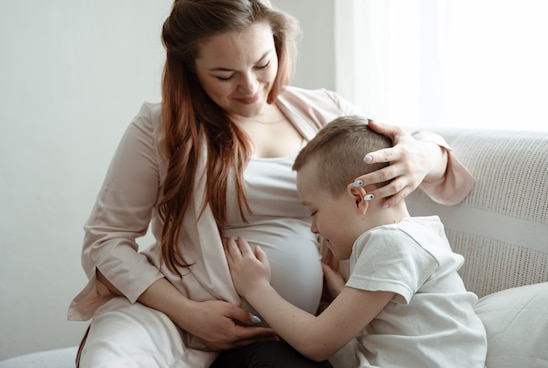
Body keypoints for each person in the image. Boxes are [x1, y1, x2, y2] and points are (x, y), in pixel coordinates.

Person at [67, 0, 475, 367]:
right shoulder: (158, 128)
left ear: (279, 48)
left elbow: (432, 171)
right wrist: (189, 314)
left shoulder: (324, 111)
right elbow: (106, 241)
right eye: (224, 74)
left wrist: (422, 155)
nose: (250, 87)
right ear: (190, 70)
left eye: (263, 64)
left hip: (288, 330)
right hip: (177, 312)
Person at [222, 115, 487, 368]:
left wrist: (256, 288)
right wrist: (345, 296)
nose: (313, 227)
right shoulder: (410, 238)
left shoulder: (392, 244)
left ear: (359, 198)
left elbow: (316, 343)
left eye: (314, 211)